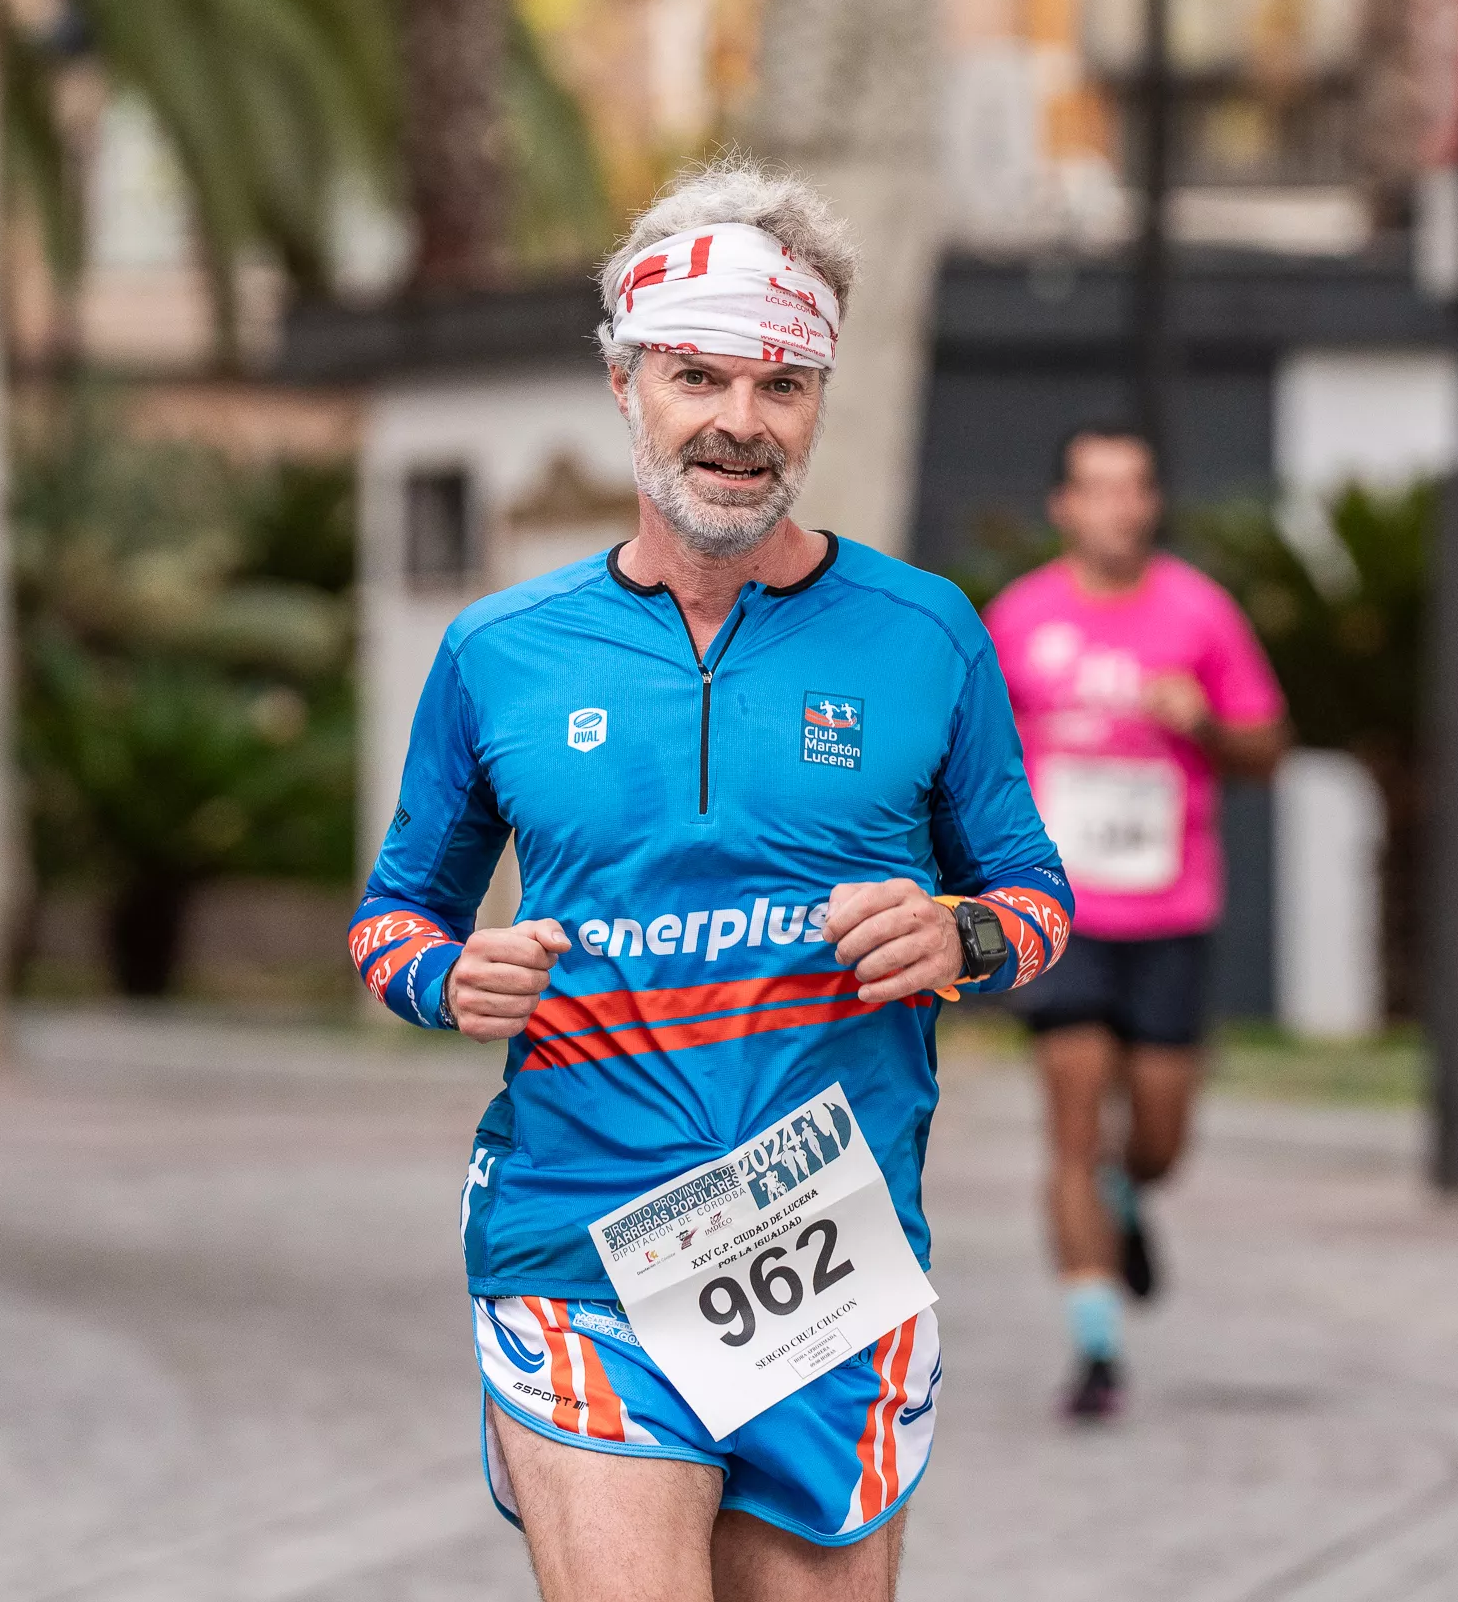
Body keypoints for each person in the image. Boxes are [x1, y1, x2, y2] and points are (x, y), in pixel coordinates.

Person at [349, 159, 1071, 1602]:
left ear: (818, 400)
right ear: (626, 384)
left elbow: (1039, 900)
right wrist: (443, 976)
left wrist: (962, 934)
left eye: (782, 385)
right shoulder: (501, 651)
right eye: (698, 376)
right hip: (578, 1237)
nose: (740, 423)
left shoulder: (924, 633)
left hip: (824, 1242)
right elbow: (390, 919)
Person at [984, 427, 1289, 1421]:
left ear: (1151, 502)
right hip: (1058, 911)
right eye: (1095, 488)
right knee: (1072, 1115)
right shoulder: (1019, 618)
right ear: (1063, 505)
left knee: (1157, 1134)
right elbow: (967, 758)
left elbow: (1267, 746)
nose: (1116, 505)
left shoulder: (1199, 612)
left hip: (1170, 910)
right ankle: (1096, 1346)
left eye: (1133, 487)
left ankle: (1131, 1187)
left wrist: (1202, 721)